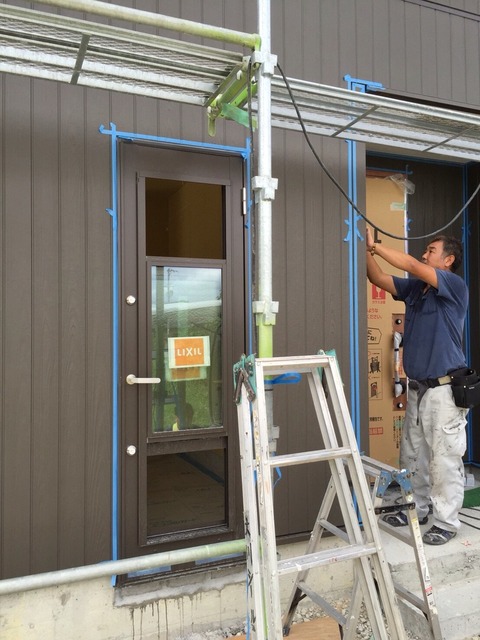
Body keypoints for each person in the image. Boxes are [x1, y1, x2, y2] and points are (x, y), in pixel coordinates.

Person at [365, 227, 469, 545]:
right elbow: (378, 278)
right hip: (418, 388)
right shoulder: (416, 290)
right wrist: (364, 250)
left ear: (448, 260)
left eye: (431, 251)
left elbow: (410, 264)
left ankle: (446, 522)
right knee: (413, 455)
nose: (424, 255)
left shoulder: (453, 285)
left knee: (444, 458)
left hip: (443, 390)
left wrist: (376, 245)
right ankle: (417, 509)